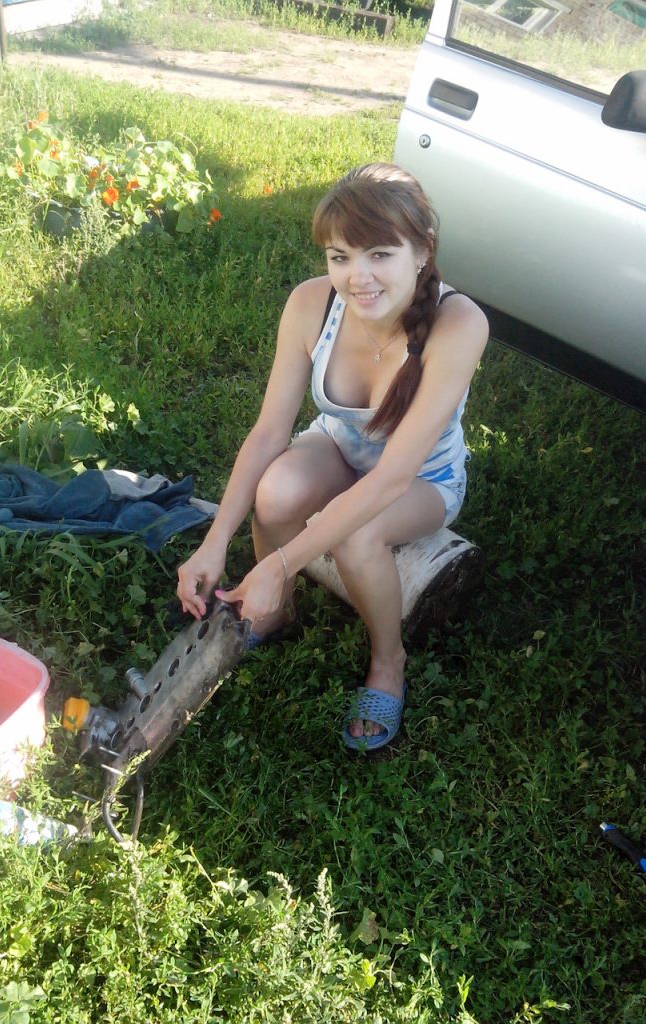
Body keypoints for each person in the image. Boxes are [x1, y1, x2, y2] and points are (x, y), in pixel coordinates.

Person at [177, 162, 488, 751]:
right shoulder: (311, 304)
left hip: (422, 479)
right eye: (340, 256)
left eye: (379, 255)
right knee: (276, 492)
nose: (357, 277)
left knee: (357, 535)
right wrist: (215, 542)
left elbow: (392, 478)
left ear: (423, 250)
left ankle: (388, 662)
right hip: (340, 448)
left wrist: (282, 561)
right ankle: (275, 613)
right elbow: (269, 433)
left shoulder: (459, 324)